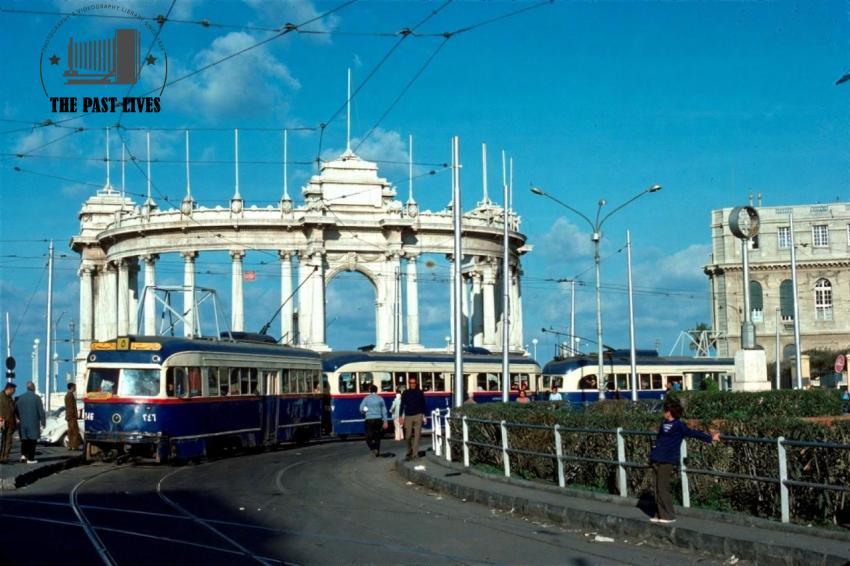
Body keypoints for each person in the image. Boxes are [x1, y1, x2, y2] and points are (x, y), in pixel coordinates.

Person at [649, 396, 719, 524]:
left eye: (665, 410)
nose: (663, 412)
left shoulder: (678, 425)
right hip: (657, 458)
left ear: (670, 412)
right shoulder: (664, 424)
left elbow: (692, 433)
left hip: (668, 459)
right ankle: (659, 513)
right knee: (656, 487)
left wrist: (710, 438)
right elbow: (659, 439)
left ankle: (668, 515)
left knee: (663, 487)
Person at [15, 381, 46, 464]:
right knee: (32, 441)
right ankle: (30, 459)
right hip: (33, 423)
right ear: (33, 388)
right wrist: (43, 423)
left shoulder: (20, 398)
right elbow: (41, 412)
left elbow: (15, 410)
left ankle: (23, 456)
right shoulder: (36, 398)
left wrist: (18, 418)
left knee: (24, 440)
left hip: (23, 424)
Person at [400, 375, 426, 461]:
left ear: (416, 383)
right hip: (408, 416)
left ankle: (415, 454)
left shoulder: (420, 392)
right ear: (408, 384)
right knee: (408, 436)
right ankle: (409, 451)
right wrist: (400, 416)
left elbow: (423, 404)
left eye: (414, 383)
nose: (412, 384)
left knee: (417, 436)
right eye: (411, 383)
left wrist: (424, 415)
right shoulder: (405, 393)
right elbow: (402, 405)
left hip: (418, 415)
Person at [359, 384, 388, 457]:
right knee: (377, 436)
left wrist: (365, 411)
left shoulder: (366, 398)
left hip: (369, 419)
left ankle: (372, 448)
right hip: (378, 419)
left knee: (368, 437)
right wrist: (385, 421)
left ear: (370, 390)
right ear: (376, 390)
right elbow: (384, 410)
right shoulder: (380, 398)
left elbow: (361, 409)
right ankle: (377, 450)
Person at [0, 381, 17, 463]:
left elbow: (13, 410)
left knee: (8, 441)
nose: (14, 392)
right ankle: (1, 457)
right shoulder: (1, 397)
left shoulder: (10, 398)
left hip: (10, 423)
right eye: (13, 390)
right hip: (2, 422)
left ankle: (5, 458)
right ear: (9, 389)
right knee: (2, 440)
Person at [65, 383, 82, 451]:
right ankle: (74, 446)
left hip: (69, 416)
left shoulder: (67, 395)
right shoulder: (70, 395)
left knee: (70, 431)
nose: (75, 388)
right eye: (74, 387)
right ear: (72, 387)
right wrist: (75, 415)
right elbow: (72, 407)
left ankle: (70, 445)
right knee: (74, 431)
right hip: (72, 416)